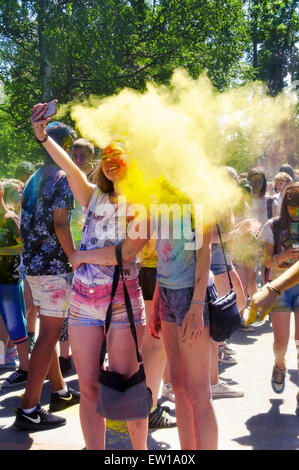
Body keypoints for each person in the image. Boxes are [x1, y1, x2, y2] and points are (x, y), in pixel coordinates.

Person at [28, 103, 150, 450]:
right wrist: (42, 137)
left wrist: (81, 255)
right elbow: (68, 165)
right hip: (84, 302)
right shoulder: (93, 195)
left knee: (128, 382)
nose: (112, 165)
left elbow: (127, 252)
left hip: (122, 302)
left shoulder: (142, 202)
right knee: (89, 386)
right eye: (108, 158)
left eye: (120, 159)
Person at [13, 120, 80, 431]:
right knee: (49, 334)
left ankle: (60, 391)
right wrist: (76, 258)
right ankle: (29, 409)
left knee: (46, 331)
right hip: (54, 267)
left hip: (34, 267)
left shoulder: (34, 178)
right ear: (64, 147)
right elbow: (61, 224)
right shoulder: (64, 178)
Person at [253, 183, 299, 409]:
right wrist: (282, 257)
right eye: (292, 206)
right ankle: (279, 365)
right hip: (279, 287)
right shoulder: (273, 226)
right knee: (281, 343)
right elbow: (265, 262)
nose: (296, 211)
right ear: (285, 205)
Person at [138, 239, 176, 428]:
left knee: (151, 342)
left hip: (148, 269)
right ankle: (150, 408)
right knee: (156, 343)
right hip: (160, 272)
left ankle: (147, 404)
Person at [0, 181, 30, 387]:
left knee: (16, 323)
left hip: (9, 280)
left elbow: (23, 248)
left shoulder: (11, 219)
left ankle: (25, 369)